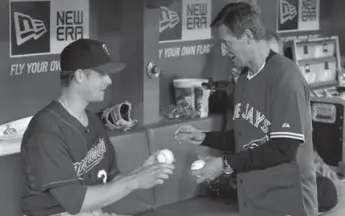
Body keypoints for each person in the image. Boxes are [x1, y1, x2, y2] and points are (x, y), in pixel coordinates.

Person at [175, 2, 318, 216]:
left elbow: (284, 148)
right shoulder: (243, 80)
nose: (223, 52)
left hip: (288, 202)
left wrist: (224, 163)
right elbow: (245, 140)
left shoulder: (285, 77)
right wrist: (204, 137)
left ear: (249, 37)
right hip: (253, 201)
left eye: (227, 43)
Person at [21, 39, 175, 216]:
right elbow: (75, 202)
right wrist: (134, 181)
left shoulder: (94, 122)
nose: (109, 80)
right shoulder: (46, 130)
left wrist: (143, 172)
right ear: (79, 76)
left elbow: (111, 181)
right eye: (102, 73)